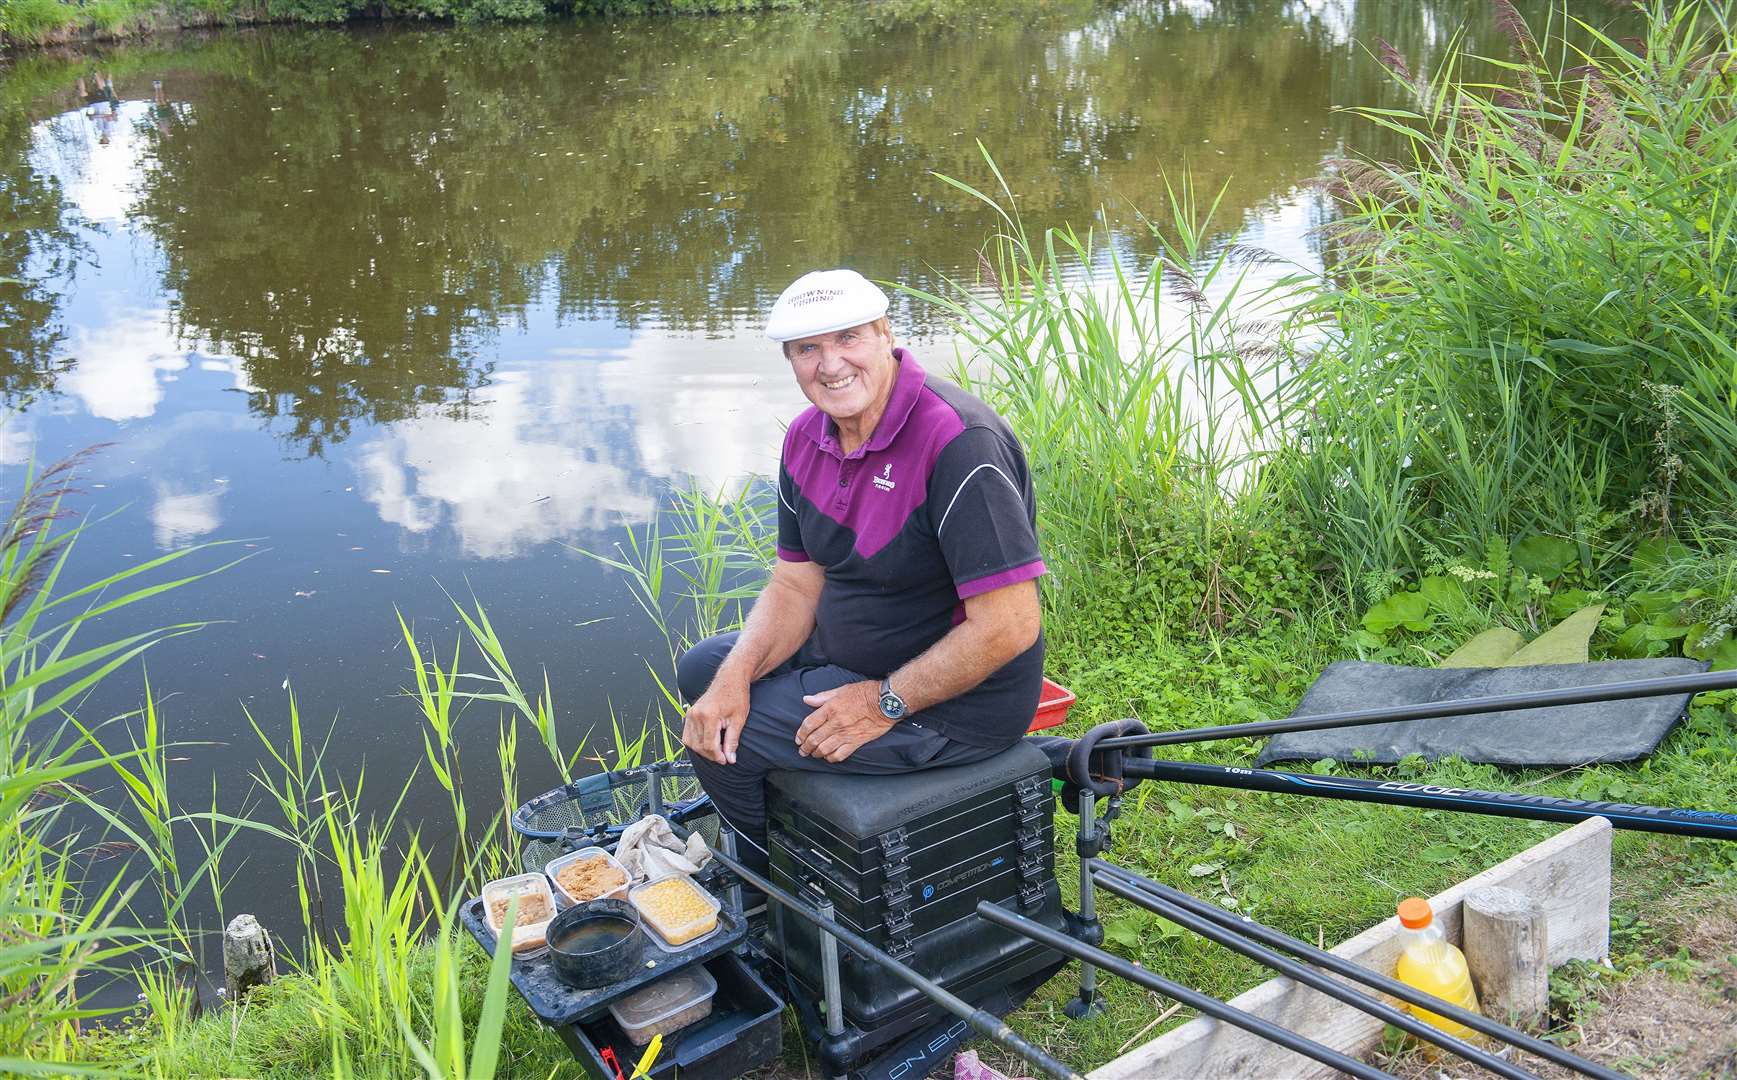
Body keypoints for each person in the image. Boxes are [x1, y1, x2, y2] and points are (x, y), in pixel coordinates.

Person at [679, 269, 1046, 882]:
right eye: (807, 349)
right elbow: (797, 584)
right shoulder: (805, 437)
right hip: (856, 655)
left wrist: (883, 704)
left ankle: (768, 887)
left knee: (723, 749)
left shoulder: (959, 442)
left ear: (885, 333)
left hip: (956, 704)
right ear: (790, 361)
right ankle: (799, 827)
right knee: (707, 676)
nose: (830, 365)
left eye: (848, 337)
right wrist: (735, 678)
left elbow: (1010, 625)